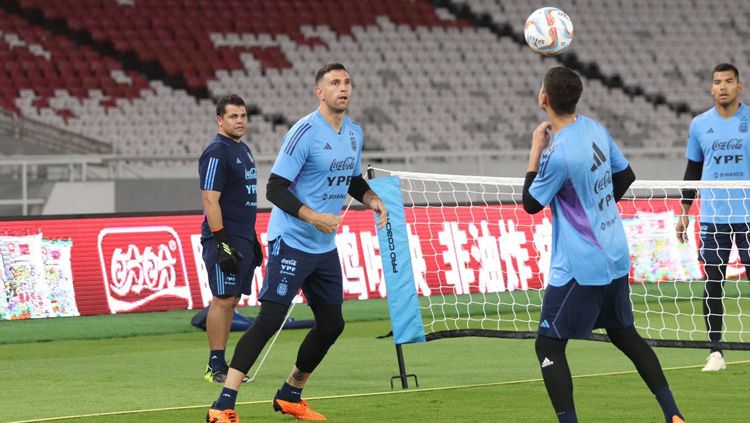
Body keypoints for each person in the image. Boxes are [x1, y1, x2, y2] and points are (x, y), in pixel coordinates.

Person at [206, 63, 387, 423]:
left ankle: (291, 392)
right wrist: (313, 216)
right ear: (319, 92)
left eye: (347, 82)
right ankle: (224, 403)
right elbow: (275, 188)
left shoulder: (353, 133)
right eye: (334, 83)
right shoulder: (304, 132)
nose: (343, 88)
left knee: (332, 324)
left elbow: (350, 179)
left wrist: (372, 199)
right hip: (291, 240)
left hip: (323, 247)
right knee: (269, 319)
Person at [523, 67, 685, 423]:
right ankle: (673, 414)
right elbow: (625, 175)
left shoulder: (558, 153)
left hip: (581, 265)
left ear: (544, 99)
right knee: (624, 334)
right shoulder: (595, 128)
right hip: (615, 253)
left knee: (548, 345)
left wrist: (536, 150)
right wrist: (600, 209)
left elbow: (532, 204)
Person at [676, 63, 749, 372]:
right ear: (711, 88)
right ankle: (715, 351)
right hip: (714, 218)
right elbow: (693, 170)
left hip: (748, 216)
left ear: (739, 86)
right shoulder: (699, 124)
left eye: (728, 81)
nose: (722, 87)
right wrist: (684, 212)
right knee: (713, 283)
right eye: (717, 82)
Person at [199, 94, 262, 383]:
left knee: (232, 298)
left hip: (242, 236)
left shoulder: (244, 149)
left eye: (243, 116)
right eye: (233, 116)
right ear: (219, 120)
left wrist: (254, 239)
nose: (239, 121)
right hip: (223, 237)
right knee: (222, 299)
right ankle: (216, 366)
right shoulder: (216, 151)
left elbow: (244, 200)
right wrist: (221, 241)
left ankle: (223, 364)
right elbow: (210, 199)